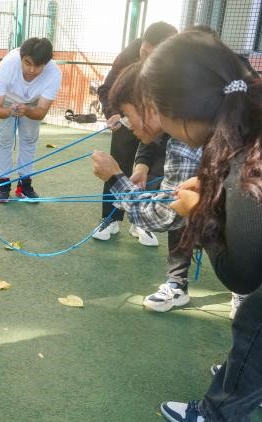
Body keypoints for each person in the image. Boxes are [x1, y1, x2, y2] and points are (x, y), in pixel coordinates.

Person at [136, 31, 262, 422]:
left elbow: (241, 274)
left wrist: (201, 212)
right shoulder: (246, 123)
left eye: (156, 107)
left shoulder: (249, 164)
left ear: (183, 112)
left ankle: (218, 413)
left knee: (254, 324)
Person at [91, 62, 202, 313]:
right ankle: (179, 283)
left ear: (149, 106)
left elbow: (162, 215)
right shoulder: (182, 121)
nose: (127, 125)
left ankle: (246, 290)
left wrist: (115, 178)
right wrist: (140, 167)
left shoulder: (185, 140)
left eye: (127, 114)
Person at [92, 21, 177, 245]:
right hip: (127, 121)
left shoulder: (183, 138)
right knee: (120, 164)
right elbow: (106, 88)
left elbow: (167, 215)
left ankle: (142, 220)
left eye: (152, 55)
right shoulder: (130, 55)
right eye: (144, 52)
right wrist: (115, 113)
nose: (145, 59)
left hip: (159, 127)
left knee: (153, 172)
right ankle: (111, 218)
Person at [0, 37, 61, 202]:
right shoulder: (7, 66)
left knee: (29, 139)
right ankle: (4, 184)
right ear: (21, 58)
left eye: (38, 66)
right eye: (27, 63)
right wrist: (8, 111)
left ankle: (24, 184)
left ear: (46, 63)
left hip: (33, 103)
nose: (32, 70)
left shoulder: (54, 73)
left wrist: (27, 110)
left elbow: (41, 112)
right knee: (4, 139)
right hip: (6, 100)